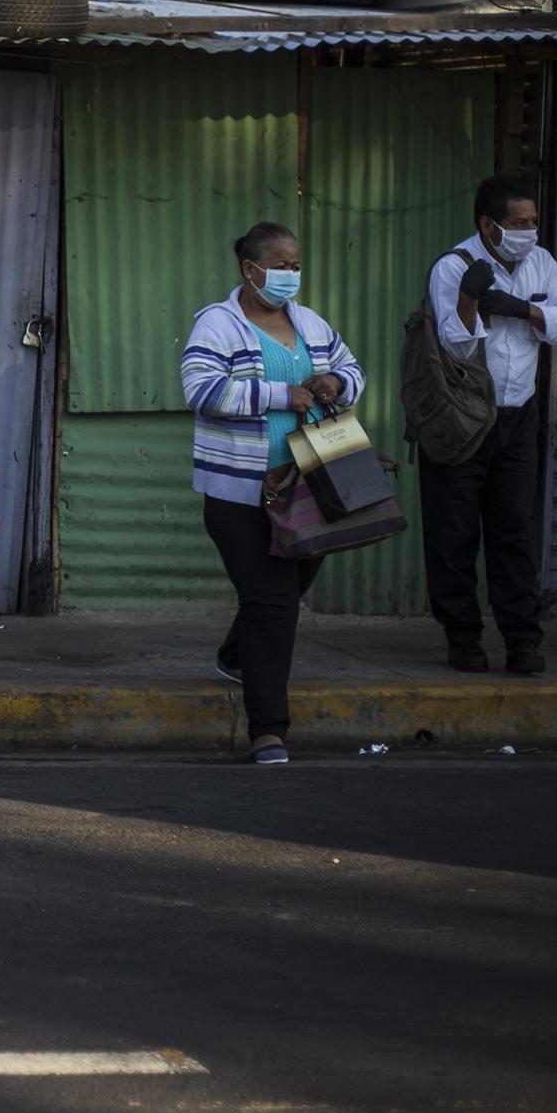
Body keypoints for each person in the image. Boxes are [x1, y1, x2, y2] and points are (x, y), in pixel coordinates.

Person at [182, 223, 365, 765]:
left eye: (296, 265)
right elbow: (201, 389)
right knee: (273, 603)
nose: (291, 274)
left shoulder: (309, 323)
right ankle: (268, 730)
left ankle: (236, 655)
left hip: (311, 486)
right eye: (281, 265)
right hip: (240, 493)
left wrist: (337, 384)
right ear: (250, 269)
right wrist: (284, 393)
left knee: (287, 589)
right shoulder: (218, 324)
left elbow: (351, 368)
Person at [422, 175, 557, 676]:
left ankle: (522, 639)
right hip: (463, 419)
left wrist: (523, 308)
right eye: (519, 223)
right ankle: (463, 637)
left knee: (514, 532)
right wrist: (471, 300)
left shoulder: (542, 262)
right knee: (454, 534)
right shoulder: (454, 266)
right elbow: (455, 346)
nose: (529, 231)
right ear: (487, 225)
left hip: (519, 417)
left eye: (533, 221)